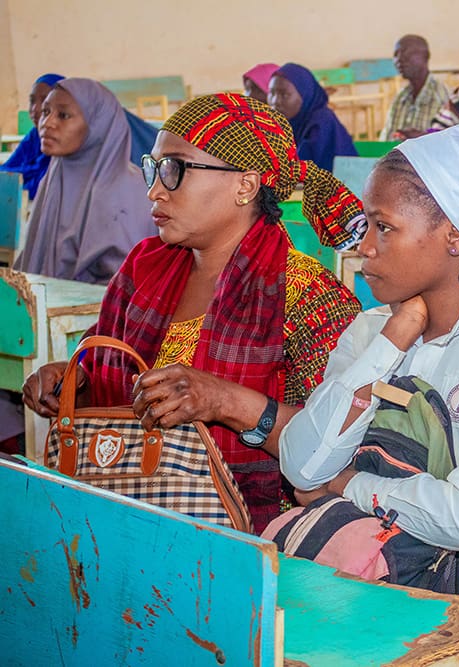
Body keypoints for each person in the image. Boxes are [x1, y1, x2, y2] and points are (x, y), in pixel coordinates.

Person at [21, 93, 366, 532]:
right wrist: (78, 385)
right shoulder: (145, 270)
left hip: (253, 530)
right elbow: (120, 390)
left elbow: (335, 445)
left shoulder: (306, 296)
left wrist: (222, 401)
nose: (154, 190)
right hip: (128, 501)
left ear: (245, 184)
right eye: (153, 167)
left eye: (175, 169)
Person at [279, 124, 459, 610]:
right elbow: (303, 467)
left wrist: (348, 484)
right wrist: (391, 341)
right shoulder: (371, 332)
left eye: (383, 227)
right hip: (357, 573)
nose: (364, 246)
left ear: (454, 235)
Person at [13, 78, 153, 284]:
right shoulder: (55, 177)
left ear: (97, 124)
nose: (47, 123)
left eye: (63, 115)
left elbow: (128, 282)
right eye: (46, 112)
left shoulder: (128, 189)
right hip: (51, 303)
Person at [269, 63, 358, 171]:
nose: (275, 101)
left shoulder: (320, 124)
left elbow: (299, 170)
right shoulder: (287, 124)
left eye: (284, 95)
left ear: (305, 95)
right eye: (272, 93)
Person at [1, 73, 65, 200]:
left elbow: (41, 189)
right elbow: (5, 170)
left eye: (45, 100)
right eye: (32, 101)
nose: (35, 109)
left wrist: (17, 179)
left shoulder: (68, 142)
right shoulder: (34, 135)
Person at [379, 35, 450, 140]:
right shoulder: (400, 98)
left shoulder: (441, 96)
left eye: (406, 53)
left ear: (426, 56)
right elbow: (386, 140)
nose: (399, 59)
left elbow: (445, 142)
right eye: (396, 54)